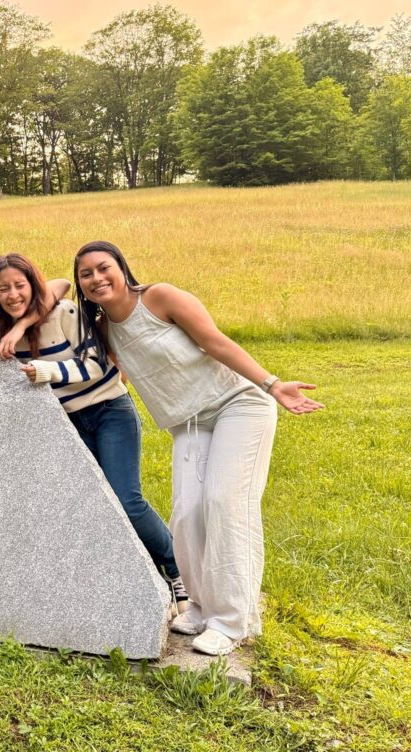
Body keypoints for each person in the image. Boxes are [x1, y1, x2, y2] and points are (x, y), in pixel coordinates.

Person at [73, 240, 323, 656]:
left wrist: (273, 384)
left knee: (225, 503)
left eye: (103, 267)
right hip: (188, 423)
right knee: (188, 513)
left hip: (237, 404)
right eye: (86, 274)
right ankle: (202, 607)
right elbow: (115, 373)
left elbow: (214, 341)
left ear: (122, 267)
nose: (97, 278)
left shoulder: (159, 297)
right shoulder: (103, 330)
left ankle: (231, 621)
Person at [0, 253, 188, 611]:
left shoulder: (64, 313)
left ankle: (176, 567)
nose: (13, 295)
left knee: (127, 501)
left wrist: (49, 371)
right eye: (3, 289)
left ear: (33, 284)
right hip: (68, 424)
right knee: (97, 507)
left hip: (109, 411)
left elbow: (97, 366)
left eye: (20, 285)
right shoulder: (3, 336)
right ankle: (144, 580)